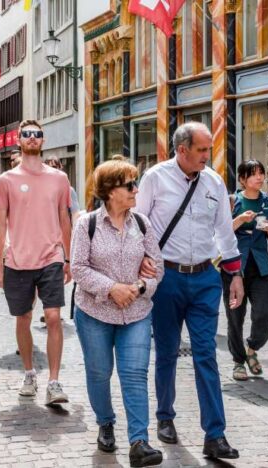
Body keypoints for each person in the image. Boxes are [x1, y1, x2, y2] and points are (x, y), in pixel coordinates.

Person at [134, 122, 244, 460]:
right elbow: (138, 222)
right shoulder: (155, 177)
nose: (206, 156)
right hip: (167, 277)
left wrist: (235, 274)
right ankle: (165, 416)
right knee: (166, 351)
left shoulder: (213, 181)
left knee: (206, 354)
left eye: (208, 150)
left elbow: (225, 231)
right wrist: (140, 263)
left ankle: (215, 434)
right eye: (201, 150)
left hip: (205, 280)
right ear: (182, 150)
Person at [70, 160, 164, 467]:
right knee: (99, 372)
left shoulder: (142, 223)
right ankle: (105, 422)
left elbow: (157, 267)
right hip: (95, 312)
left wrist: (136, 288)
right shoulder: (87, 224)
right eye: (129, 185)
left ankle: (139, 441)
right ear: (110, 192)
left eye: (135, 183)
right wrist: (112, 288)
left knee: (135, 374)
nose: (136, 189)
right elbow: (78, 268)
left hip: (136, 312)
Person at [0, 120, 73, 406]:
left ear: (43, 139)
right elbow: (0, 223)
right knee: (23, 318)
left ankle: (54, 381)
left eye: (37, 134)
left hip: (50, 256)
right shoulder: (6, 180)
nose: (32, 138)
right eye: (26, 134)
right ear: (18, 139)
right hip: (18, 259)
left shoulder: (59, 178)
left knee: (53, 317)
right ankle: (29, 373)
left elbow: (65, 219)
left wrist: (67, 256)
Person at [224, 160, 268, 381]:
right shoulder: (232, 202)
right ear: (242, 179)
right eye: (253, 174)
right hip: (234, 267)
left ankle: (252, 347)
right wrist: (240, 220)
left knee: (265, 312)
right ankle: (238, 361)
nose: (259, 178)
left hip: (261, 266)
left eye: (261, 173)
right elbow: (220, 233)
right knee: (235, 316)